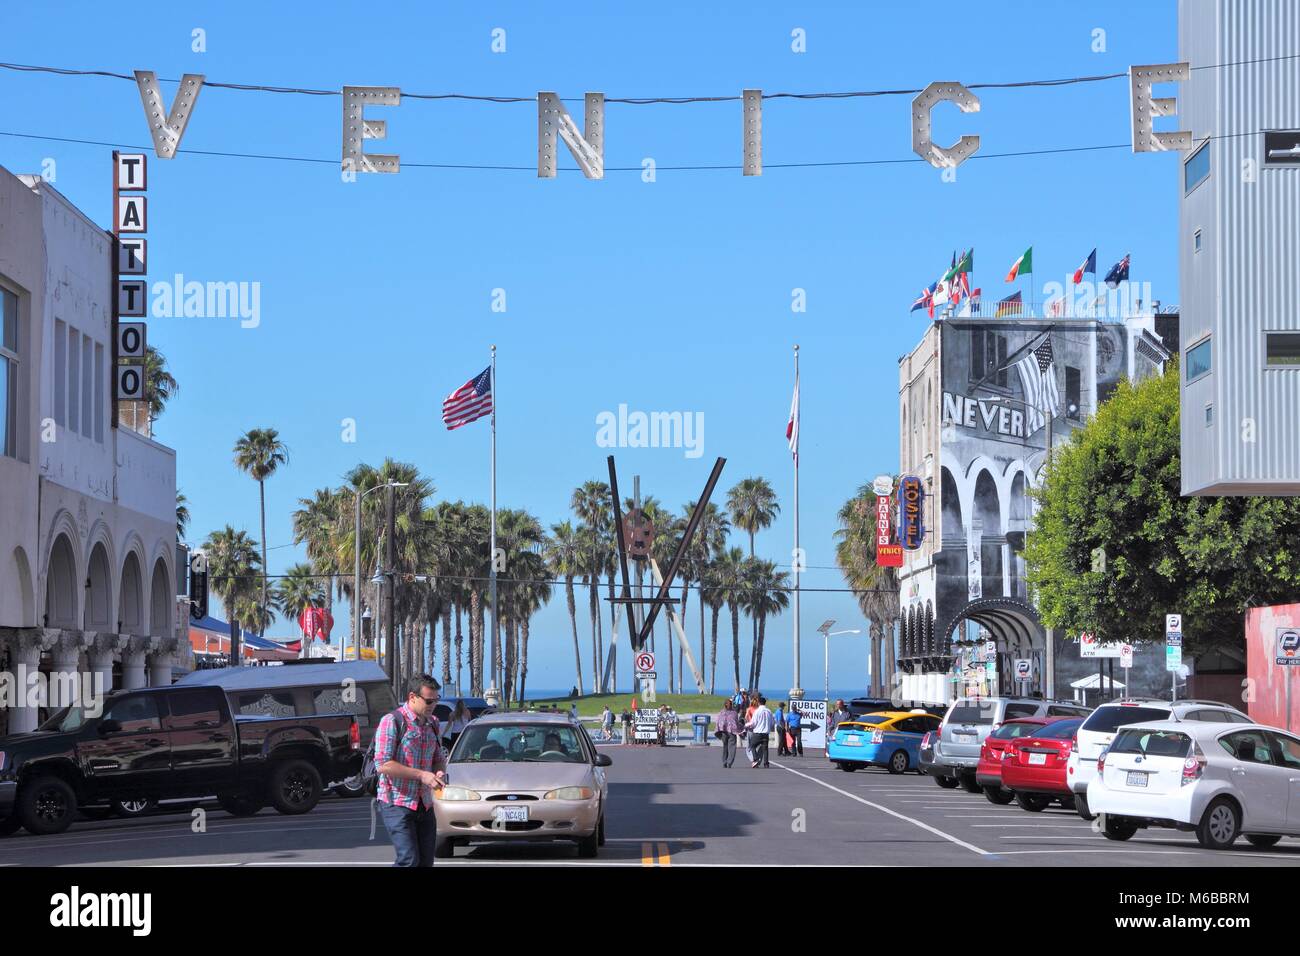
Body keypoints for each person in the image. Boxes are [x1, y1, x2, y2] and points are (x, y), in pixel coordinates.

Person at [375, 674, 448, 867]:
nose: (433, 704)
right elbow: (383, 764)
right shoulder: (392, 721)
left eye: (436, 700)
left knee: (425, 862)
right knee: (409, 860)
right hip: (396, 802)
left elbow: (438, 759)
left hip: (424, 804)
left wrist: (439, 772)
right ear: (412, 697)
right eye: (429, 700)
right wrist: (422, 775)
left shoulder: (432, 723)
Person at [744, 696, 775, 768]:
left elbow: (753, 723)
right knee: (765, 749)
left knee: (752, 746)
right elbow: (772, 722)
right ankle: (766, 763)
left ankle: (755, 759)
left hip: (758, 733)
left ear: (759, 703)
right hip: (766, 733)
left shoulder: (757, 711)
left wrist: (745, 725)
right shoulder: (769, 711)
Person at [715, 699, 740, 768]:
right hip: (727, 732)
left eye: (731, 704)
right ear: (726, 704)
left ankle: (726, 762)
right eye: (730, 704)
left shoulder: (722, 713)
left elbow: (718, 722)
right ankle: (728, 762)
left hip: (728, 732)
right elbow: (736, 723)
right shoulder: (733, 713)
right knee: (729, 747)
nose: (730, 705)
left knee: (727, 747)